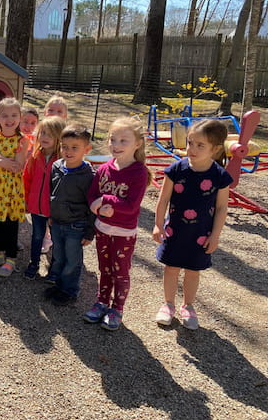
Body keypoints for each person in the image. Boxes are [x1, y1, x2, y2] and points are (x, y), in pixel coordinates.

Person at [153, 120, 232, 330]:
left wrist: (215, 235)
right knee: (171, 267)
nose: (192, 149)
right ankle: (168, 304)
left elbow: (222, 208)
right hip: (175, 231)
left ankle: (188, 306)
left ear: (215, 149)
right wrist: (158, 225)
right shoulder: (176, 169)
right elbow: (163, 200)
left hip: (201, 234)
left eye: (200, 145)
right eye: (190, 143)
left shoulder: (220, 176)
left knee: (192, 270)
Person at [83, 116, 151, 330]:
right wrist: (96, 206)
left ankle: (117, 308)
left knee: (120, 271)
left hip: (123, 232)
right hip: (103, 229)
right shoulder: (104, 169)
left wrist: (106, 200)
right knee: (104, 269)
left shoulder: (139, 172)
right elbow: (92, 193)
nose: (116, 145)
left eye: (124, 141)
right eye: (113, 140)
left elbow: (131, 205)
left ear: (137, 143)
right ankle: (101, 302)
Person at [43, 123, 95, 305]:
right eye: (65, 147)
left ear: (86, 149)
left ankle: (70, 291)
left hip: (76, 225)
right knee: (59, 256)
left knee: (72, 260)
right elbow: (52, 191)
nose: (68, 151)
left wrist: (90, 231)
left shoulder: (88, 175)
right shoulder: (57, 166)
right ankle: (58, 285)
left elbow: (92, 205)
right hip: (56, 222)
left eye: (75, 148)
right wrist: (50, 214)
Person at [0, 97, 30, 277]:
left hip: (11, 190)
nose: (9, 119)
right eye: (5, 115)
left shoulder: (22, 140)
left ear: (20, 117)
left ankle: (11, 258)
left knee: (10, 224)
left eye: (14, 115)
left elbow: (18, 166)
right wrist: (2, 161)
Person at [23, 116, 65, 279]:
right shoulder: (35, 156)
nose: (45, 137)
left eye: (51, 134)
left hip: (53, 209)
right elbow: (27, 179)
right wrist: (27, 200)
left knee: (55, 238)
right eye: (43, 133)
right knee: (37, 236)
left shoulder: (61, 160)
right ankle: (33, 264)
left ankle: (54, 270)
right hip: (36, 206)